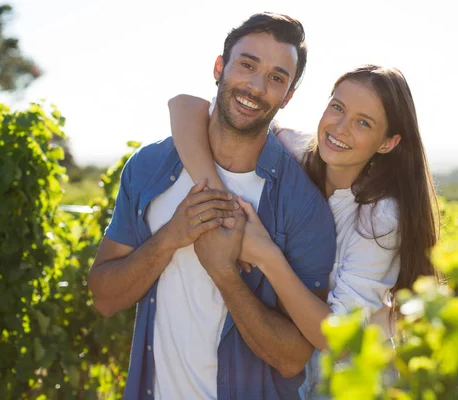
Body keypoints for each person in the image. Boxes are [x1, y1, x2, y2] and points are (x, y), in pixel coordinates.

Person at [88, 12, 337, 400]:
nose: (255, 86)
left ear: (287, 97)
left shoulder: (302, 206)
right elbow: (104, 298)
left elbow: (292, 359)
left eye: (276, 78)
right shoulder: (151, 167)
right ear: (220, 67)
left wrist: (224, 273)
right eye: (247, 65)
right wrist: (170, 237)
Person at [168, 64, 440, 398]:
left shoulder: (379, 217)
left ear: (388, 143)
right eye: (337, 107)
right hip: (303, 380)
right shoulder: (299, 151)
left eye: (363, 122)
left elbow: (337, 341)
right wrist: (220, 201)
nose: (340, 128)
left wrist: (266, 255)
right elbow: (184, 107)